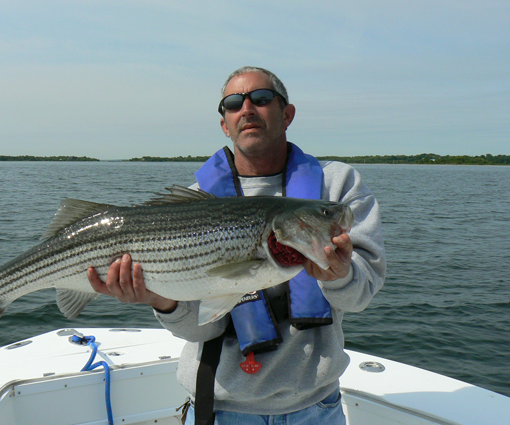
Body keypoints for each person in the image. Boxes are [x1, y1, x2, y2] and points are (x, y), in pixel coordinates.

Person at [88, 66, 386, 425]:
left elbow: (360, 296)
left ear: (287, 114)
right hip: (220, 408)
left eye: (260, 99)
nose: (246, 109)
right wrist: (159, 299)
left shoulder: (335, 187)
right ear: (224, 124)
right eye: (233, 103)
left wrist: (340, 275)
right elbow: (202, 329)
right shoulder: (198, 202)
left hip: (316, 407)